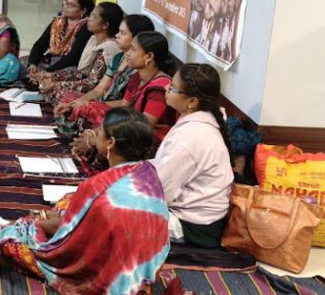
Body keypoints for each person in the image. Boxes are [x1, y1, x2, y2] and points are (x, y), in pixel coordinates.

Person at [0, 107, 169, 295]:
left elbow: (68, 235)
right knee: (71, 199)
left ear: (110, 143)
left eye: (100, 131)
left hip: (108, 274)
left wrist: (35, 223)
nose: (96, 134)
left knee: (10, 238)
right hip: (144, 267)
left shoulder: (97, 188)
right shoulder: (149, 173)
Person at [152, 63, 234, 247]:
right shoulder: (203, 120)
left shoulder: (189, 138)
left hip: (194, 227)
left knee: (117, 214)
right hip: (203, 219)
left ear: (192, 101)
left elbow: (160, 192)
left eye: (172, 87)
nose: (166, 88)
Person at [69, 31, 178, 168]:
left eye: (133, 49)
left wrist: (95, 140)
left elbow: (142, 127)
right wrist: (93, 132)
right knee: (94, 116)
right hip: (131, 128)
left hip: (147, 138)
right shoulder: (137, 77)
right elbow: (124, 106)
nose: (128, 54)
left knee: (111, 140)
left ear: (149, 56)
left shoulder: (159, 88)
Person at [54, 14, 155, 139]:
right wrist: (80, 102)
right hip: (103, 103)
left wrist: (91, 105)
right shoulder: (118, 58)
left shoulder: (138, 69)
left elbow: (125, 103)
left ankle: (88, 135)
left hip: (117, 111)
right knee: (69, 100)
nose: (117, 35)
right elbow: (99, 89)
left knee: (85, 112)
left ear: (137, 38)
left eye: (122, 33)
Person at [38, 2, 124, 106]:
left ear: (105, 25)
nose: (89, 19)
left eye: (94, 16)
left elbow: (92, 83)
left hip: (96, 93)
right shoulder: (93, 40)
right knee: (50, 81)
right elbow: (83, 73)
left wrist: (56, 85)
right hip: (86, 85)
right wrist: (53, 76)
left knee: (59, 93)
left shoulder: (108, 49)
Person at [23, 0, 94, 84]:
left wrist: (47, 71)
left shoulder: (86, 27)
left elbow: (73, 57)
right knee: (22, 62)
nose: (65, 6)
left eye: (71, 5)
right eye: (66, 2)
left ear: (83, 10)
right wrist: (32, 65)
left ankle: (39, 82)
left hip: (68, 65)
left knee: (68, 72)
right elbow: (40, 45)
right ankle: (35, 80)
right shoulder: (57, 22)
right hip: (51, 61)